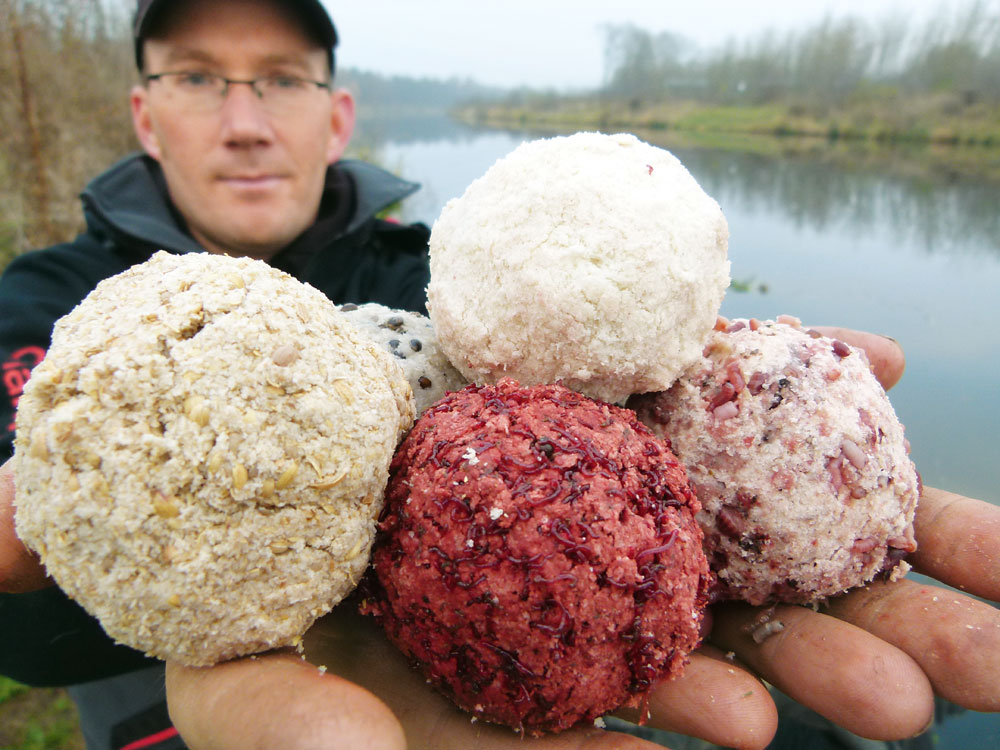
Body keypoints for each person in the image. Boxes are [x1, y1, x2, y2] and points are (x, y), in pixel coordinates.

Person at [0, 1, 997, 749]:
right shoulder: (56, 314)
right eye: (198, 77)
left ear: (337, 115)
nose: (245, 119)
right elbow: (33, 639)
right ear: (143, 111)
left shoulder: (438, 284)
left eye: (280, 79)